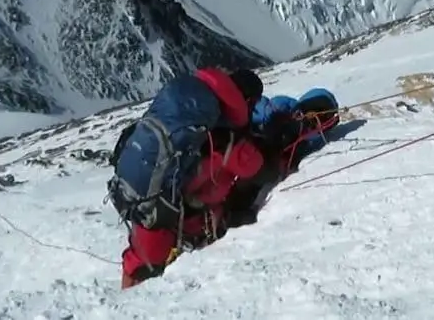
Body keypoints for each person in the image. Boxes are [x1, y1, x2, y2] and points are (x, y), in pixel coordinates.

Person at [106, 66, 279, 289]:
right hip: (165, 208)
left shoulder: (190, 111)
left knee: (140, 260)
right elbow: (256, 167)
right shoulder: (222, 134)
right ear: (246, 100)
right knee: (147, 266)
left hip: (145, 190)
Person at [222, 87, 341, 228]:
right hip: (244, 141)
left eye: (322, 119)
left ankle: (230, 209)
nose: (316, 121)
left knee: (263, 172)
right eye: (316, 113)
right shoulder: (284, 107)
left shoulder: (310, 138)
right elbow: (262, 109)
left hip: (260, 156)